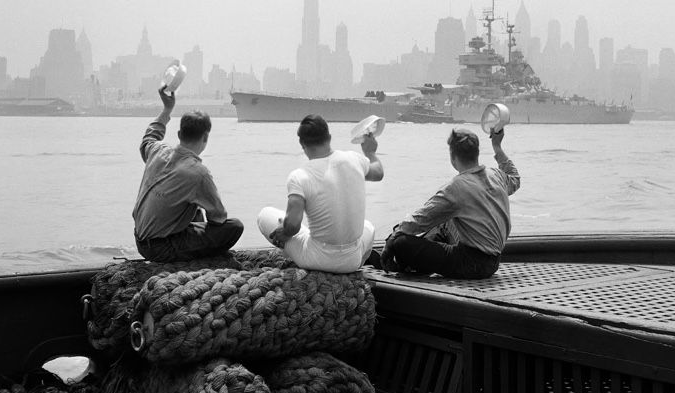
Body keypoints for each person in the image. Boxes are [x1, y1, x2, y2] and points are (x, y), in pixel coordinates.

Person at [379, 126, 520, 279]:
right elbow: (515, 178)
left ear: (453, 157)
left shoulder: (456, 187)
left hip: (473, 263)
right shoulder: (497, 175)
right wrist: (497, 146)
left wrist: (391, 240)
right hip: (494, 261)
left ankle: (407, 263)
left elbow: (419, 220)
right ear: (477, 153)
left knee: (400, 243)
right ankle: (417, 262)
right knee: (444, 223)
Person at [257, 114, 384, 273]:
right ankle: (357, 265)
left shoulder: (299, 176)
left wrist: (284, 231)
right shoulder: (355, 159)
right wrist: (370, 152)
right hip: (351, 260)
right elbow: (378, 173)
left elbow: (293, 226)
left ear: (302, 144)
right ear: (329, 137)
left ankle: (300, 256)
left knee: (264, 215)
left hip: (318, 259)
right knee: (369, 227)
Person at [132, 88, 244, 263]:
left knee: (193, 207)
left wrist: (167, 109)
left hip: (140, 240)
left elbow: (149, 137)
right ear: (206, 138)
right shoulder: (198, 173)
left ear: (179, 134)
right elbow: (218, 218)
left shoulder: (157, 150)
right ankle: (205, 258)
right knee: (234, 227)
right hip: (161, 249)